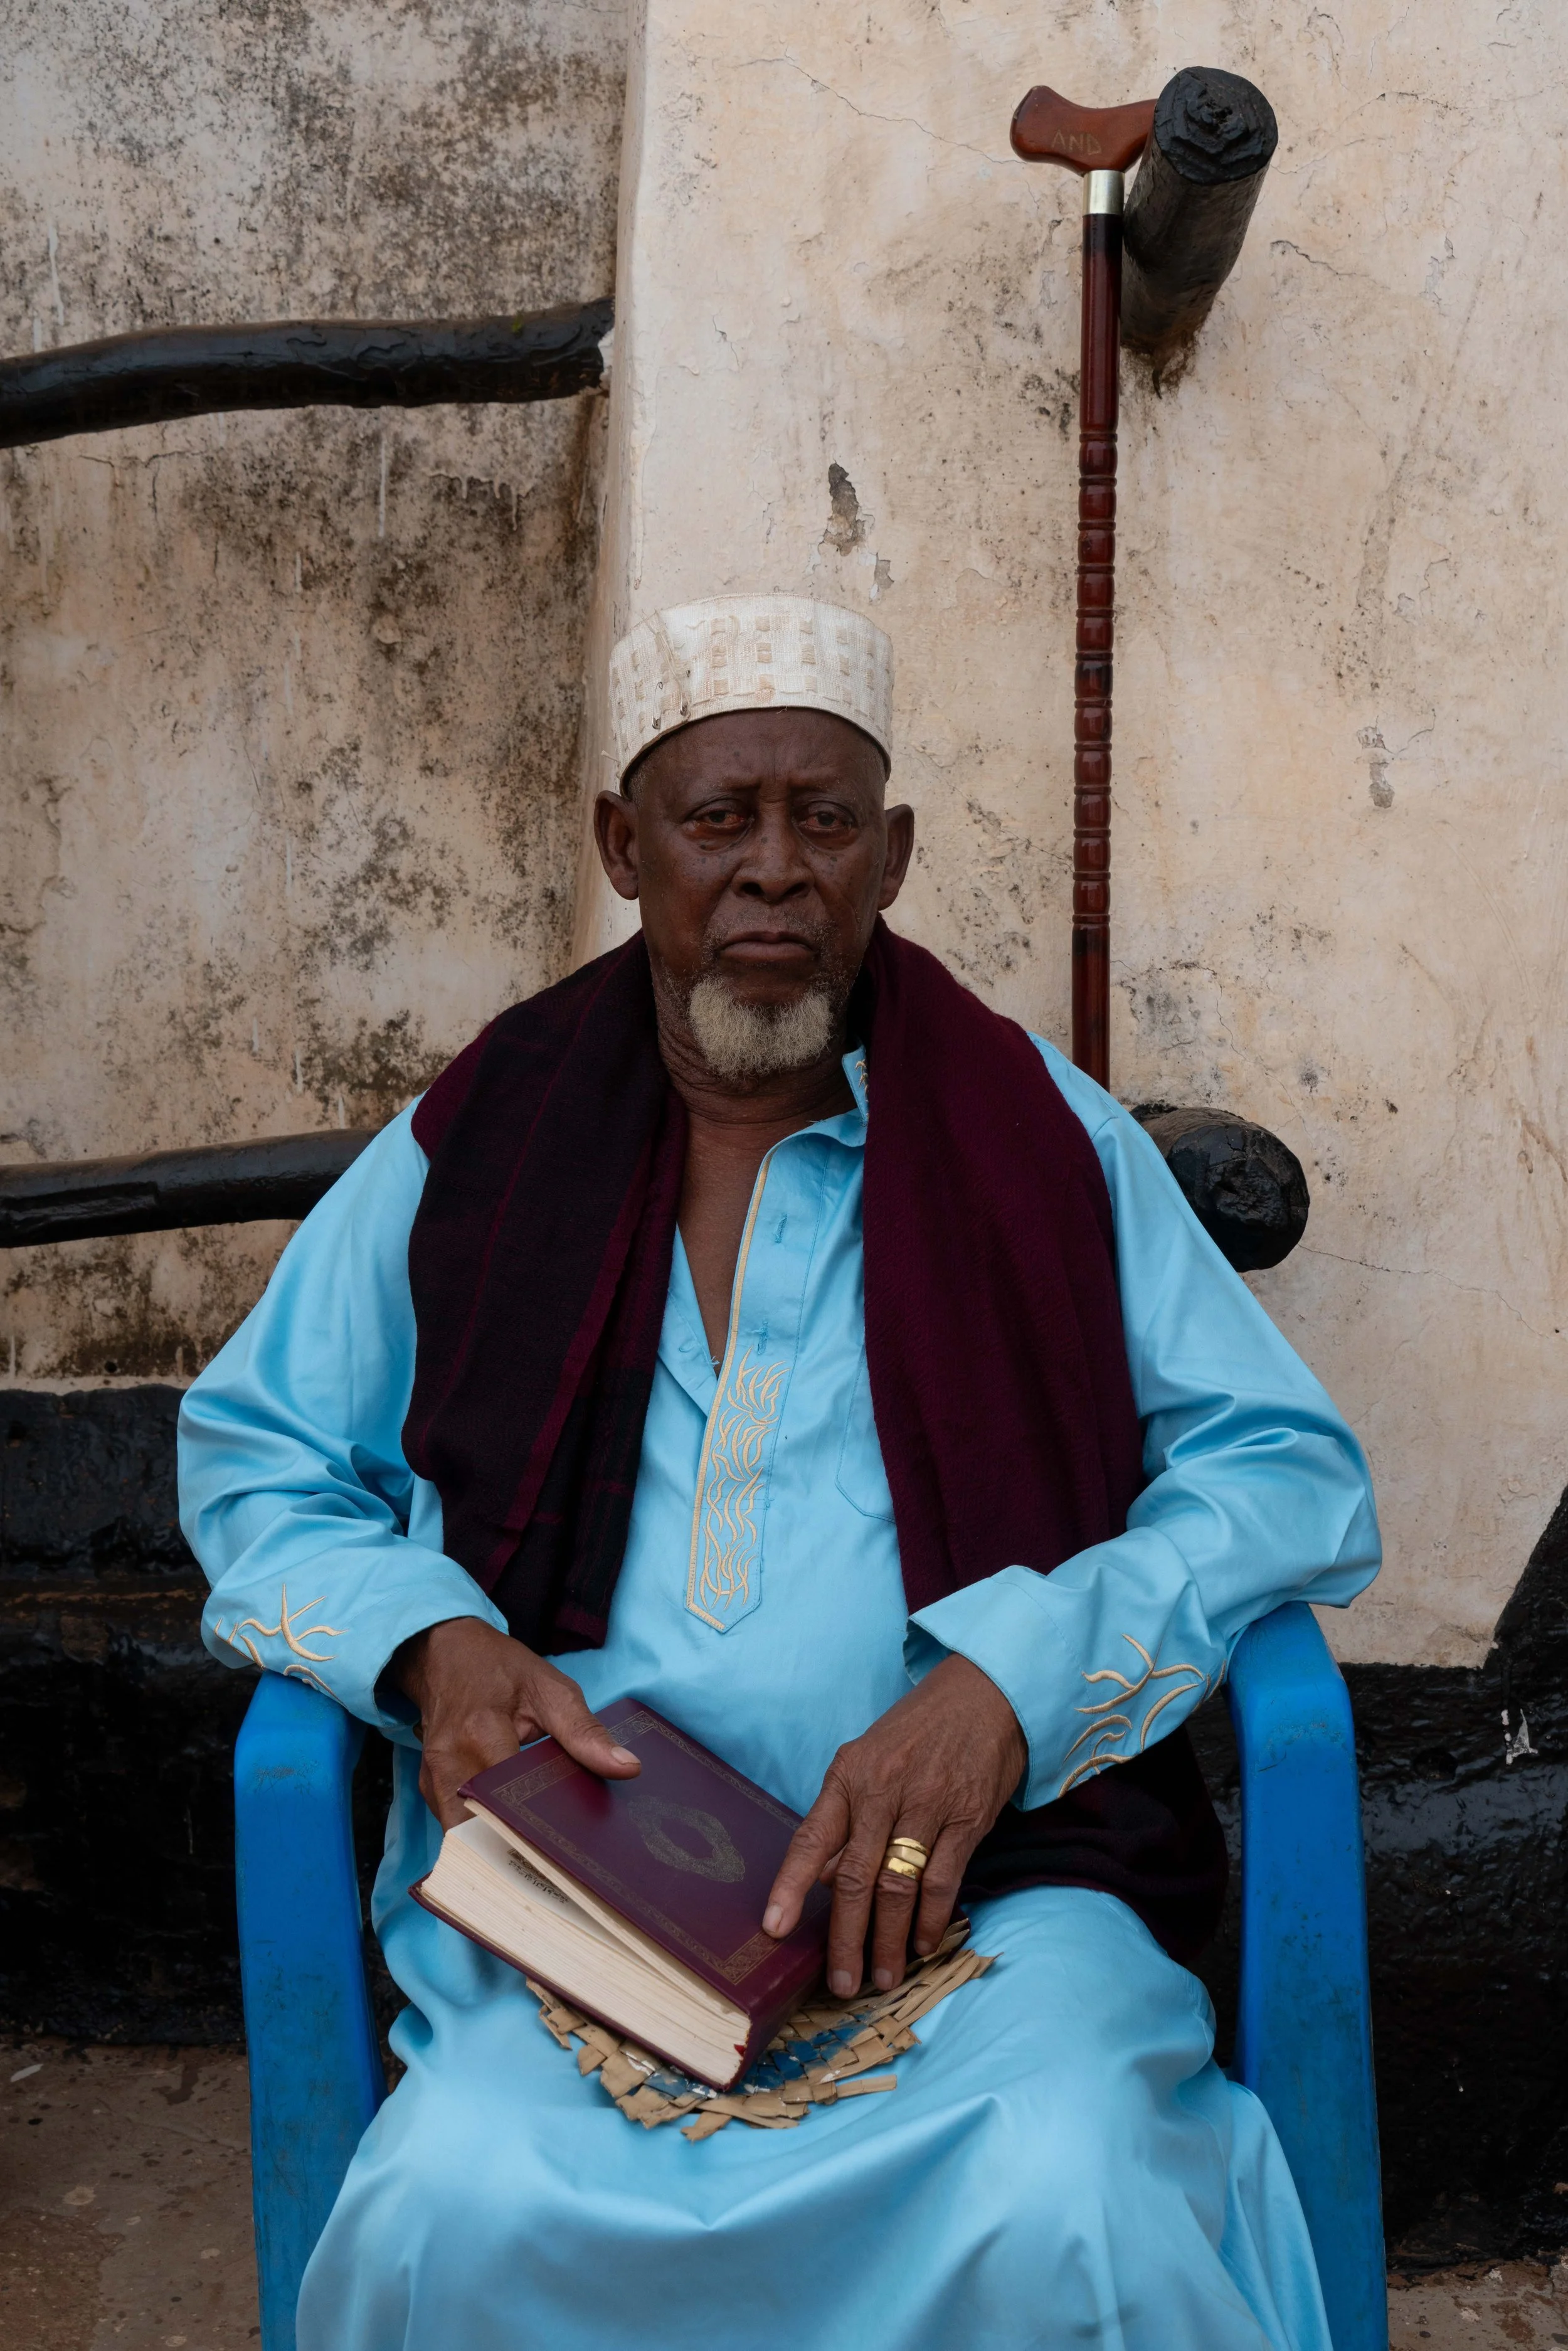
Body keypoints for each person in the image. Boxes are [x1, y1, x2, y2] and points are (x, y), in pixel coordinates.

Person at [179, 594, 1379, 2351]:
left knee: (1070, 2190)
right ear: (622, 846)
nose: (769, 872)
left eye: (820, 821)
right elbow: (255, 1449)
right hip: (582, 1921)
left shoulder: (1038, 1135)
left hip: (992, 1911)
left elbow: (1286, 1471)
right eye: (713, 818)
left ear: (885, 858)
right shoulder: (482, 1134)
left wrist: (1013, 1681)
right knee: (450, 2205)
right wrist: (427, 1640)